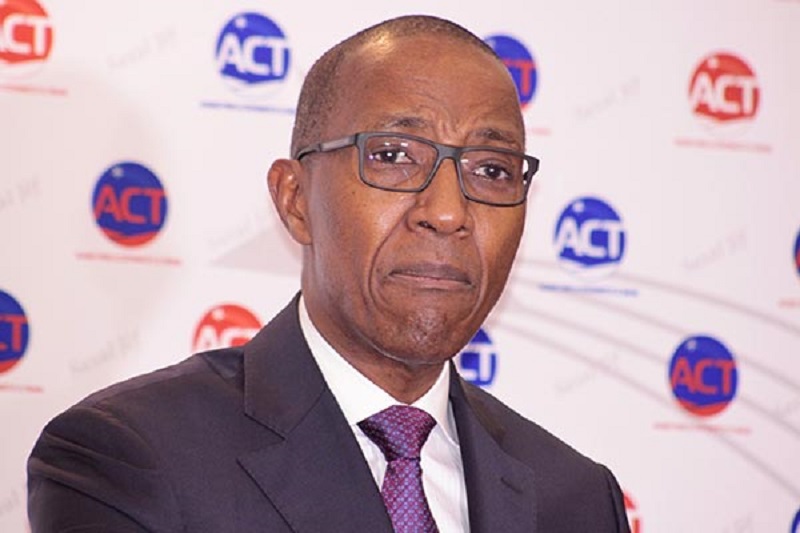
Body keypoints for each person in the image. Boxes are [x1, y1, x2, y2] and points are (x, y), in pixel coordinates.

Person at [27, 14, 630, 533]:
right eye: (393, 156)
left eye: (492, 170)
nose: (448, 212)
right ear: (295, 201)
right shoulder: (130, 457)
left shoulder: (577, 499)